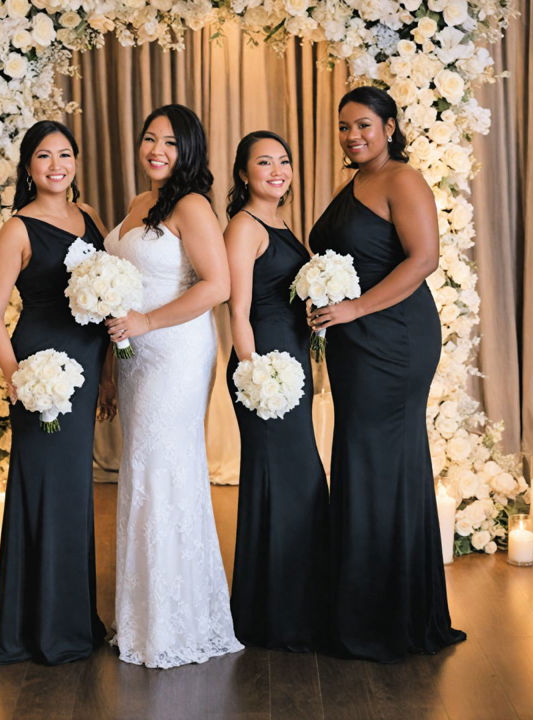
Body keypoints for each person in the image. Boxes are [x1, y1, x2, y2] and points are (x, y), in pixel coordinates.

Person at [308, 86, 466, 662]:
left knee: (382, 462)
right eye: (345, 127)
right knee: (361, 458)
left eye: (364, 125)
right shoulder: (352, 184)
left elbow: (423, 260)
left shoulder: (403, 179)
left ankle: (389, 618)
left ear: (390, 126)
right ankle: (363, 609)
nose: (353, 135)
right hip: (355, 343)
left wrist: (351, 308)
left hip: (394, 338)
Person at [102, 104, 243, 668]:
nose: (156, 150)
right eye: (149, 138)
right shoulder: (140, 203)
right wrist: (115, 364)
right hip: (135, 354)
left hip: (176, 350)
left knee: (164, 469)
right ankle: (145, 614)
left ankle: (175, 623)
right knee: (142, 470)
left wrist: (147, 323)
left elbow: (218, 284)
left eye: (169, 142)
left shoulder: (191, 205)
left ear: (188, 150)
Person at [0, 120, 109, 665]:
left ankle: (73, 621)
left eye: (64, 155)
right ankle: (32, 629)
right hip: (42, 369)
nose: (56, 165)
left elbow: (105, 307)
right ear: (29, 168)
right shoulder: (17, 229)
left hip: (87, 362)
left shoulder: (92, 219)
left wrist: (106, 376)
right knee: (42, 488)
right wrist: (20, 381)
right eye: (43, 156)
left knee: (74, 492)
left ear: (76, 161)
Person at [224, 131, 329, 651]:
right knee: (282, 485)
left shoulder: (284, 222)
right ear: (244, 174)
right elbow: (237, 309)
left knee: (297, 483)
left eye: (283, 161)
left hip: (290, 360)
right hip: (265, 367)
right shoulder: (244, 226)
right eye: (263, 163)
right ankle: (274, 618)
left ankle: (296, 608)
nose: (276, 170)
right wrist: (254, 372)